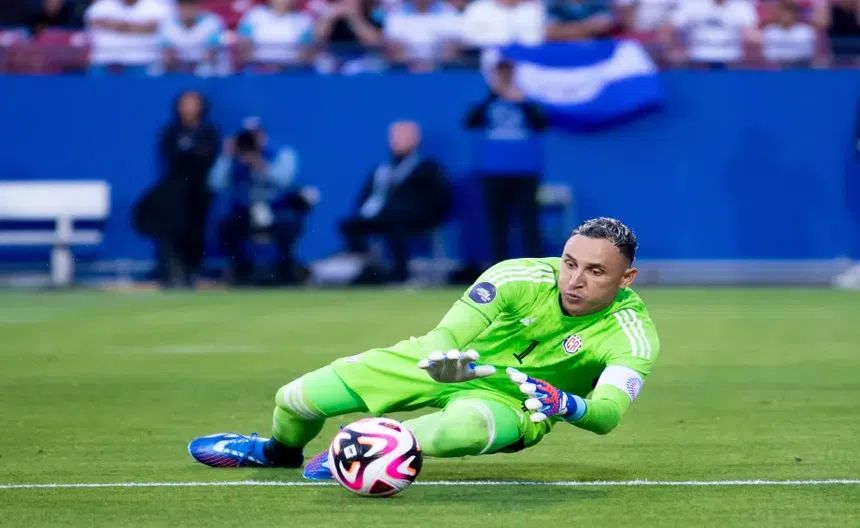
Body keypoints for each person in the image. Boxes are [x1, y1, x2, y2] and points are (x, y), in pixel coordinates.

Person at [188, 217, 660, 477]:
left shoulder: (632, 333)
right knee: (294, 399)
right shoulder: (518, 275)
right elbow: (445, 336)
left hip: (510, 404)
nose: (574, 280)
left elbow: (607, 415)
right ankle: (277, 452)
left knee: (462, 429)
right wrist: (442, 361)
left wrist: (568, 404)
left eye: (595, 271)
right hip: (444, 364)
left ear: (627, 278)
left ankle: (358, 451)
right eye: (569, 263)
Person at [337, 120, 452, 284]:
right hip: (384, 216)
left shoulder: (428, 168)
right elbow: (365, 196)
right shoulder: (383, 169)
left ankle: (401, 276)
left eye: (403, 137)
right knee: (349, 225)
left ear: (415, 140)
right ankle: (367, 272)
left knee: (396, 223)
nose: (397, 141)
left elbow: (439, 197)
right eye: (394, 137)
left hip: (416, 218)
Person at [210, 119, 317, 286]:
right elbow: (215, 183)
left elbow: (285, 181)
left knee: (289, 223)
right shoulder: (235, 158)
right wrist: (226, 157)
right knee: (226, 226)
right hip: (246, 211)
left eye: (256, 135)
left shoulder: (281, 153)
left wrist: (259, 164)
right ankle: (242, 269)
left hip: (277, 209)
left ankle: (285, 269)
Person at [133, 90, 220, 289]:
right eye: (185, 104)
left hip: (199, 191)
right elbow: (171, 156)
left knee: (195, 233)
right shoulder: (171, 131)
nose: (189, 108)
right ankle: (171, 272)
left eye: (193, 104)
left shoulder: (208, 131)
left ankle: (191, 272)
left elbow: (208, 157)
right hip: (175, 191)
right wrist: (191, 156)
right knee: (172, 232)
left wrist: (190, 157)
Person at [465, 59, 547, 264]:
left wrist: (521, 102)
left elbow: (541, 123)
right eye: (501, 73)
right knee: (496, 222)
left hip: (525, 169)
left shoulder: (527, 100)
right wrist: (493, 95)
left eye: (508, 73)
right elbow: (470, 121)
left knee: (529, 221)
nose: (505, 77)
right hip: (494, 169)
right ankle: (498, 266)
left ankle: (535, 267)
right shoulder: (488, 101)